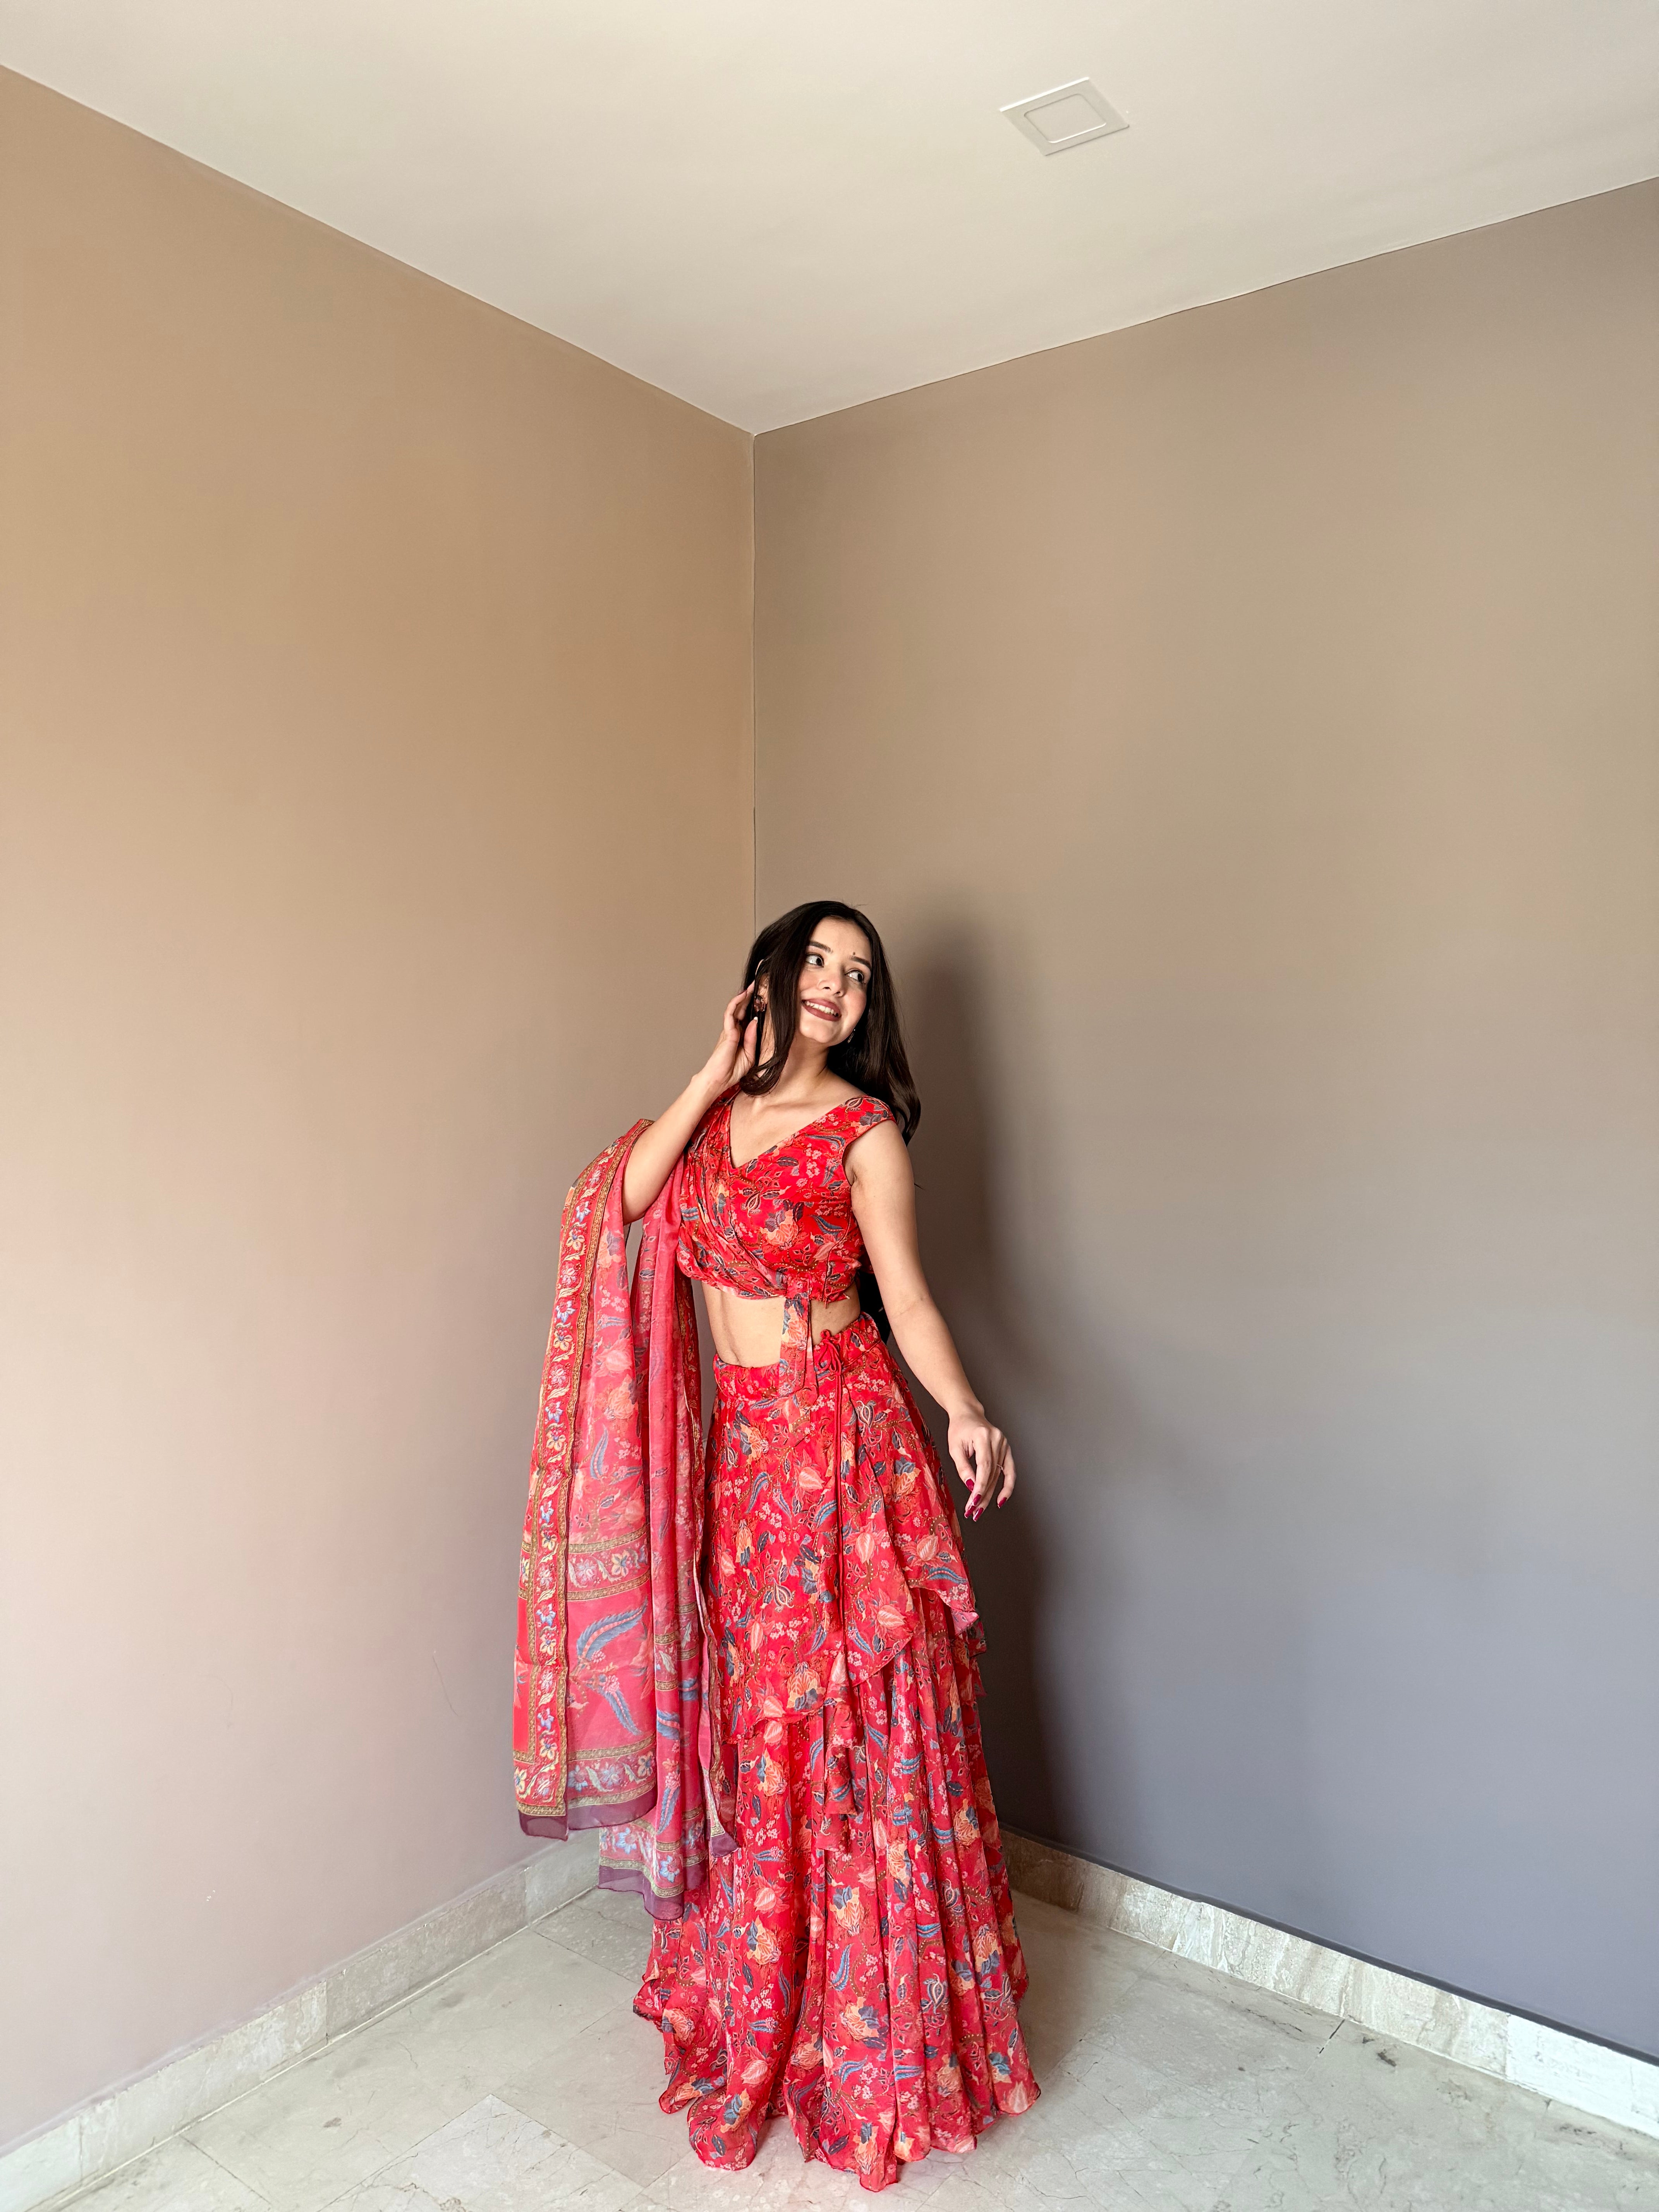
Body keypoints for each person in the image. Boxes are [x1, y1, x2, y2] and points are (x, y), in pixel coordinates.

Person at [514, 900, 1037, 2192]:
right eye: (816, 958)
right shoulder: (703, 1129)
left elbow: (905, 1296)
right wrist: (712, 1070)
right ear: (769, 971)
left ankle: (872, 2043)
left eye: (857, 975)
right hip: (743, 1464)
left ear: (867, 1010)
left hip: (841, 1445)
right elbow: (615, 1202)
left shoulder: (863, 1134)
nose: (834, 986)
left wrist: (965, 1410)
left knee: (854, 1727)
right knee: (760, 1725)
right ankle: (770, 1996)